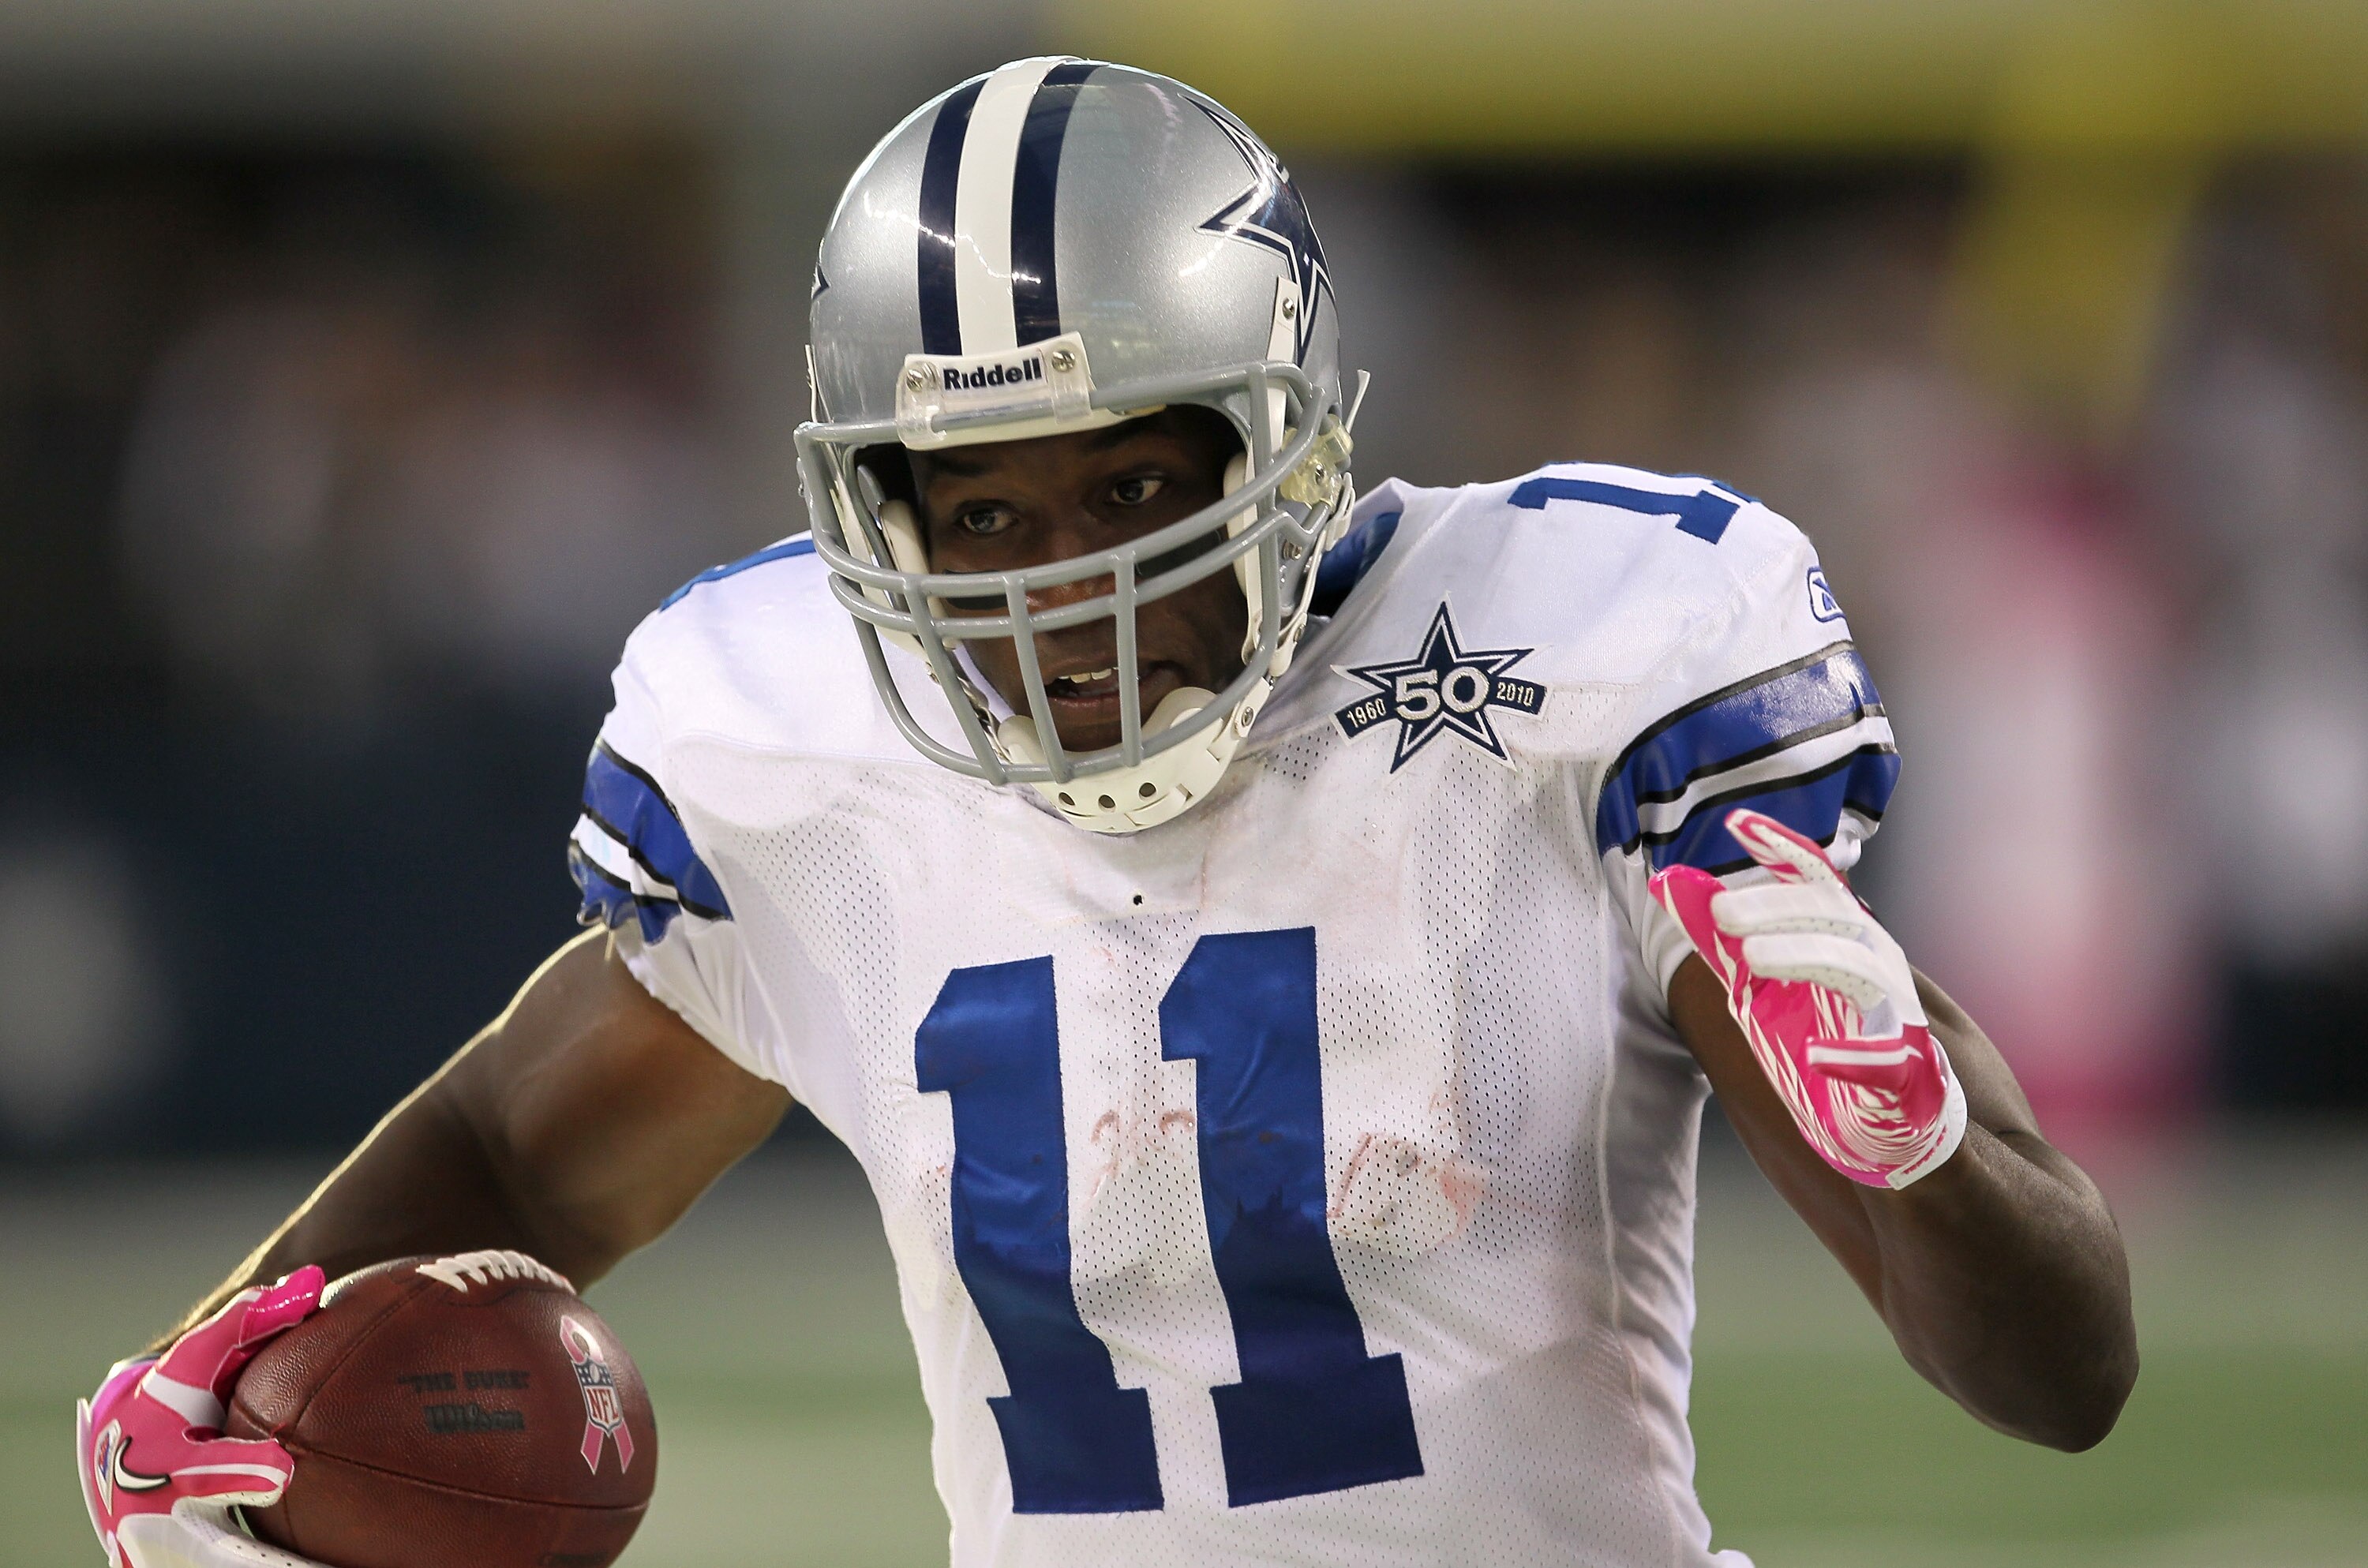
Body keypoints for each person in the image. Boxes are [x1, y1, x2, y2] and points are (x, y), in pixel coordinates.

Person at [77, 57, 2137, 1568]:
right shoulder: (814, 767)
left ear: (1288, 450)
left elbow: (2062, 1378)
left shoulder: (1559, 693)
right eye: (982, 517)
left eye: (1134, 488)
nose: (1067, 586)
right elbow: (516, 1148)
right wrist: (221, 1378)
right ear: (880, 527)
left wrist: (1921, 1146)